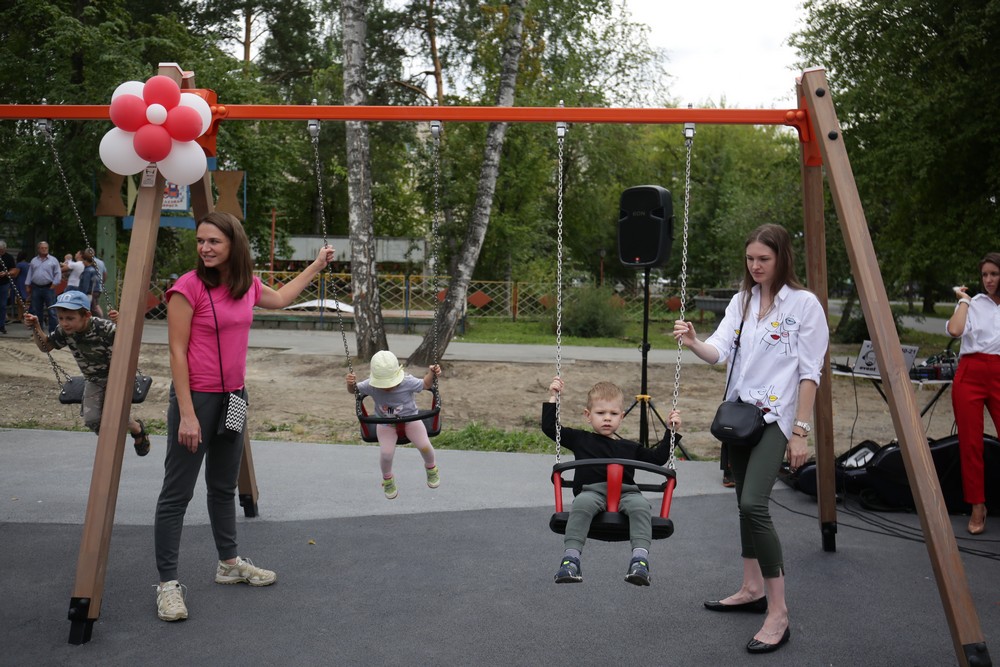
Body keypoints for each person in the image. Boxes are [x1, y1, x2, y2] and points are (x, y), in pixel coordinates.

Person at [154, 211, 334, 623]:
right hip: (196, 399)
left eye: (213, 241)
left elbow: (284, 298)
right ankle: (167, 584)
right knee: (176, 495)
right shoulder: (187, 288)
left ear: (233, 244)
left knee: (222, 486)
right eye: (200, 241)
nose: (205, 248)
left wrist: (316, 265)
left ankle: (228, 563)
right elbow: (176, 352)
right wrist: (186, 414)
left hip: (234, 397)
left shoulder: (246, 285)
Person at [672, 223, 828, 655]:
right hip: (739, 417)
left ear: (781, 258)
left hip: (777, 417)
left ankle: (778, 613)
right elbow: (719, 352)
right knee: (742, 500)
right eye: (750, 259)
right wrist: (693, 342)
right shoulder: (742, 302)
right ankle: (751, 588)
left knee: (753, 503)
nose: (755, 266)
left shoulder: (804, 305)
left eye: (764, 259)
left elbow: (810, 373)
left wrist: (801, 431)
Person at [541, 376, 682, 587]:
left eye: (613, 414)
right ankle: (570, 560)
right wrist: (553, 397)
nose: (607, 418)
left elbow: (656, 458)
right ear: (588, 416)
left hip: (627, 493)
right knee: (581, 504)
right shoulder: (581, 439)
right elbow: (550, 428)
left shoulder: (629, 447)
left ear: (622, 417)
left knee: (641, 506)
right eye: (600, 413)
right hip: (591, 491)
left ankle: (640, 561)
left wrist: (671, 431)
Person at [23, 290, 151, 454]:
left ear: (86, 315)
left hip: (119, 377)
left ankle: (135, 430)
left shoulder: (103, 328)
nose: (64, 323)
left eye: (70, 318)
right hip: (94, 379)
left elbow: (131, 343)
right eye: (61, 318)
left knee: (114, 414)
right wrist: (36, 327)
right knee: (92, 420)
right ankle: (125, 431)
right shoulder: (64, 331)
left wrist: (123, 325)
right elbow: (45, 346)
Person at [946, 251, 1000, 535]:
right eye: (985, 275)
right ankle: (977, 506)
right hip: (970, 373)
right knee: (971, 444)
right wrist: (964, 301)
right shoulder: (974, 304)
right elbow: (955, 330)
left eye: (994, 274)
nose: (989, 280)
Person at [345, 350, 442, 499]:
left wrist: (432, 373)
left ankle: (431, 467)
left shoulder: (407, 381)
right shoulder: (371, 386)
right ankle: (387, 479)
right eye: (383, 384)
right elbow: (355, 391)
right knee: (386, 453)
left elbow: (426, 384)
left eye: (389, 383)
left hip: (410, 420)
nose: (387, 387)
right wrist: (350, 384)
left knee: (425, 446)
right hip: (385, 424)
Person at [25, 241, 62, 335]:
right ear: (38, 249)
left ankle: (53, 332)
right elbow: (30, 273)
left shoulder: (53, 260)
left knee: (52, 311)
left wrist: (54, 285)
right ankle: (38, 331)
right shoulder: (34, 260)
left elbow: (58, 273)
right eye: (42, 248)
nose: (44, 249)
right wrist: (27, 284)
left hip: (48, 287)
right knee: (36, 311)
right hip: (36, 287)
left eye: (46, 248)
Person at [0, 241, 18, 334]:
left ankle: (2, 325)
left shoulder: (9, 257)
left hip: (4, 283)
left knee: (2, 305)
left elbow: (14, 270)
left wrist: (6, 273)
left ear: (5, 249)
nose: (0, 252)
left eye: (2, 251)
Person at [87, 248, 107, 317]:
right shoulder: (101, 262)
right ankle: (100, 318)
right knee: (96, 304)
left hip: (92, 287)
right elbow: (105, 274)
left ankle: (100, 319)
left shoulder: (90, 262)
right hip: (99, 287)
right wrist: (102, 283)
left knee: (94, 306)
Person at [14, 251, 30, 322]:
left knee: (19, 301)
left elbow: (15, 274)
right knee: (25, 300)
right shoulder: (28, 264)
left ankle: (20, 316)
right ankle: (23, 316)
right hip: (27, 283)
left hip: (20, 283)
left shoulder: (19, 265)